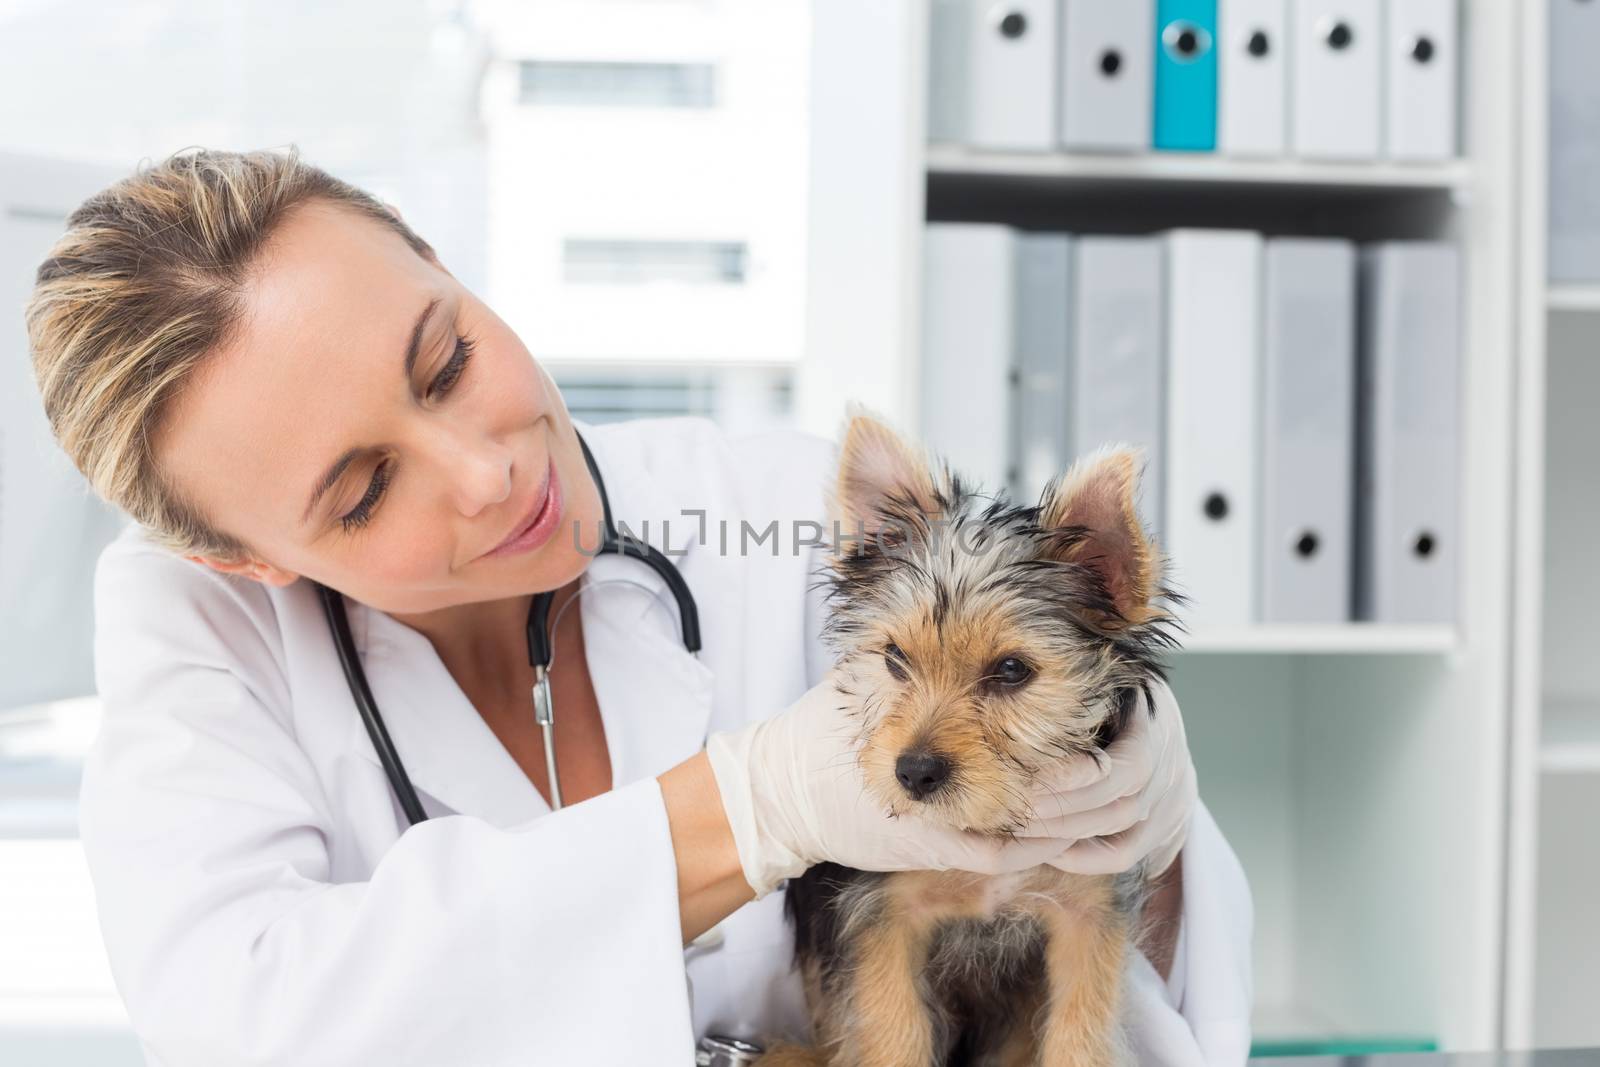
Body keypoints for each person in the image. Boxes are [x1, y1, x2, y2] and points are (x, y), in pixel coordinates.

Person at [25, 146, 1252, 1066]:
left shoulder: (768, 501)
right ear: (246, 558)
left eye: (447, 359)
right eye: (362, 492)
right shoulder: (198, 630)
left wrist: (1149, 824)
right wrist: (743, 806)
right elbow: (246, 1015)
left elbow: (1113, 987)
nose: (486, 470)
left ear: (447, 266)